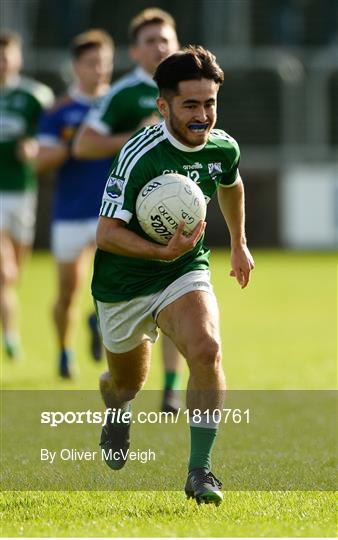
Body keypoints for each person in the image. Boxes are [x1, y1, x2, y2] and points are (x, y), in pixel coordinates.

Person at [92, 46, 254, 505]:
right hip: (123, 283)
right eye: (191, 105)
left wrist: (238, 243)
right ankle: (117, 408)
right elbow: (106, 234)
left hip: (184, 268)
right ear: (163, 106)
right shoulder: (138, 154)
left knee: (207, 348)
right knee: (125, 383)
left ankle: (200, 471)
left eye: (210, 103)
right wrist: (159, 250)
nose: (203, 115)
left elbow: (232, 183)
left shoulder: (222, 146)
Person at [73, 8, 182, 412]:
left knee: (182, 297)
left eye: (166, 39)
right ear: (135, 52)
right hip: (131, 221)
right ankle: (119, 389)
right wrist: (132, 136)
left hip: (179, 217)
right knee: (134, 324)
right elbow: (83, 145)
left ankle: (171, 389)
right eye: (151, 41)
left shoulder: (187, 89)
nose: (160, 47)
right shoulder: (123, 94)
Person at [36, 29, 114, 378]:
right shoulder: (59, 111)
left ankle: (97, 322)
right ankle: (65, 351)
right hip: (69, 212)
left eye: (105, 62)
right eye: (91, 63)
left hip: (111, 213)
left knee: (111, 285)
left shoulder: (117, 104)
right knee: (67, 291)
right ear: (76, 67)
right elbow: (39, 161)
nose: (99, 70)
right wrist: (77, 145)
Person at [0, 30, 54, 359]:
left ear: (18, 58)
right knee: (3, 272)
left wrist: (34, 149)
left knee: (15, 273)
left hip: (24, 193)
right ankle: (10, 334)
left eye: (7, 54)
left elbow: (50, 138)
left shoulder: (35, 96)